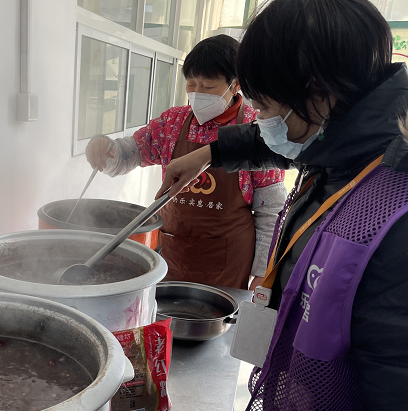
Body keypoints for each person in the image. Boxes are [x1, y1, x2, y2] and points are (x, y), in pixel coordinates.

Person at [159, 1, 408, 411]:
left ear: (318, 91)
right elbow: (279, 144)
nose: (262, 121)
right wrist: (209, 153)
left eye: (266, 106)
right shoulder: (348, 144)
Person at [86, 35, 286, 293]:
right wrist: (105, 150)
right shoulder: (172, 122)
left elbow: (270, 212)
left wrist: (262, 273)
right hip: (173, 249)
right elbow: (129, 154)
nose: (197, 93)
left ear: (235, 84)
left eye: (208, 86)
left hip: (227, 258)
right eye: (191, 84)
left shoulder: (255, 132)